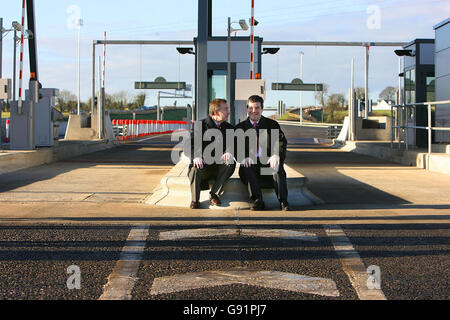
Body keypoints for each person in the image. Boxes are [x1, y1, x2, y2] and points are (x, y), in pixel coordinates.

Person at [235, 95, 290, 211]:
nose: (253, 111)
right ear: (247, 109)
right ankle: (258, 201)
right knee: (247, 165)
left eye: (257, 108)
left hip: (267, 166)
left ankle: (283, 201)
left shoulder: (272, 125)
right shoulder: (240, 128)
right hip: (251, 167)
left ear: (262, 109)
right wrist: (243, 157)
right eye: (250, 108)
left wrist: (276, 155)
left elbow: (281, 142)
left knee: (277, 166)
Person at [188, 99, 236, 209]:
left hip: (218, 168)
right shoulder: (200, 125)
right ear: (215, 112)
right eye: (225, 109)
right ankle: (195, 200)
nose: (228, 112)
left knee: (230, 163)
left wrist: (229, 151)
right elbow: (191, 145)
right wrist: (196, 156)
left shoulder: (229, 128)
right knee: (194, 168)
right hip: (203, 166)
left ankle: (214, 194)